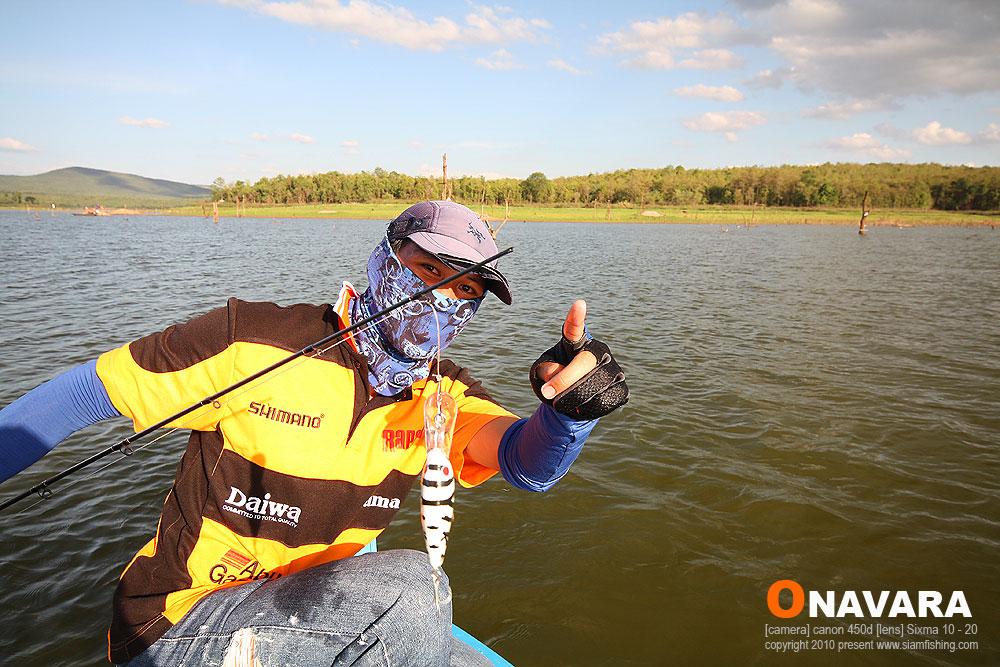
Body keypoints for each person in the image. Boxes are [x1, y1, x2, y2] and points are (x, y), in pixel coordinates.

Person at [0, 200, 628, 665]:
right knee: (413, 590)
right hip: (177, 626)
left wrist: (571, 413)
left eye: (464, 289)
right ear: (385, 259)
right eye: (428, 269)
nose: (442, 299)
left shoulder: (442, 395)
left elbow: (528, 462)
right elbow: (75, 399)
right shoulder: (251, 339)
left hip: (318, 613)